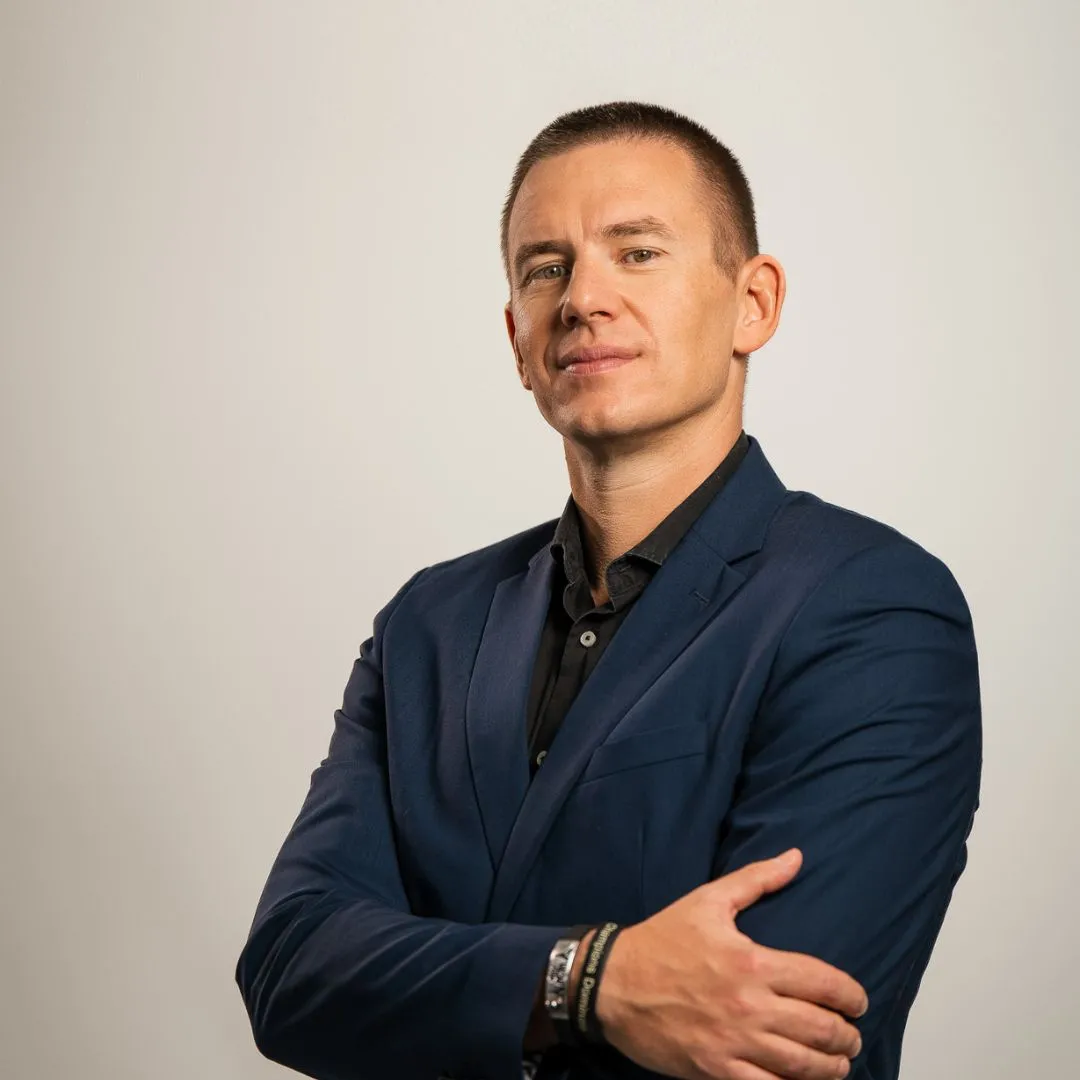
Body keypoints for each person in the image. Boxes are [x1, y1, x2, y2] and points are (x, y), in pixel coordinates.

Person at [235, 101, 981, 1080]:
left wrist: (446, 996)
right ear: (516, 335)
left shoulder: (872, 610)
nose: (583, 297)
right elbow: (292, 970)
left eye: (637, 254)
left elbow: (774, 1033)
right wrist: (590, 979)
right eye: (546, 266)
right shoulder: (429, 625)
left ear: (753, 302)